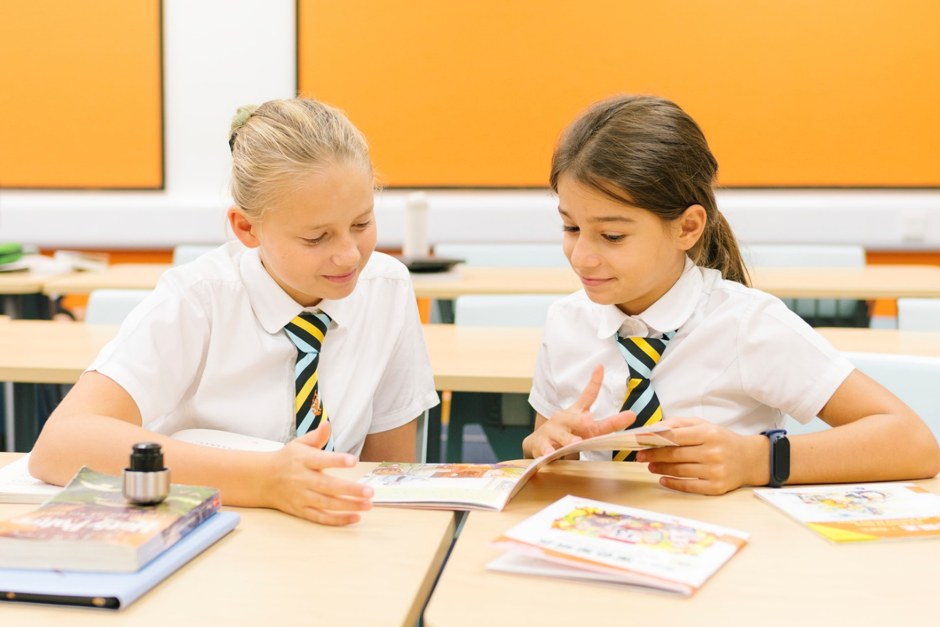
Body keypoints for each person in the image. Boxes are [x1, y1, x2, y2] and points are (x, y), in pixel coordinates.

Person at [30, 98, 440, 525]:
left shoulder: (386, 287)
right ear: (246, 228)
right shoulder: (198, 299)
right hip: (200, 531)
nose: (349, 255)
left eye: (361, 223)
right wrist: (263, 480)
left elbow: (392, 480)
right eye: (316, 238)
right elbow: (59, 445)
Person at [522, 95, 940, 494]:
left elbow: (913, 444)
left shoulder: (747, 324)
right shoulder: (566, 321)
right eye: (571, 228)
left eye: (612, 236)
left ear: (687, 227)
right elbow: (541, 443)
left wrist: (756, 460)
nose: (582, 257)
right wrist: (542, 443)